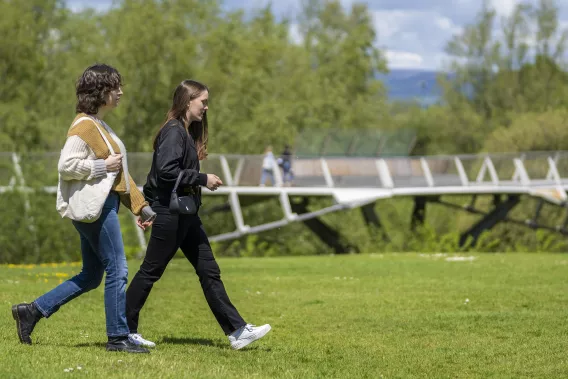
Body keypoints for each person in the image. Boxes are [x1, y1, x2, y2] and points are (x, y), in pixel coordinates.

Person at [11, 64, 155, 354]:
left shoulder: (99, 126)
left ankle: (32, 311)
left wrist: (141, 207)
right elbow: (66, 166)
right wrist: (102, 165)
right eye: (116, 87)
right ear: (101, 91)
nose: (120, 92)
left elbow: (120, 174)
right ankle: (117, 337)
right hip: (98, 209)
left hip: (102, 205)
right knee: (118, 268)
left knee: (91, 275)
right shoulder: (85, 126)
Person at [125, 80, 271, 350]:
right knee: (151, 271)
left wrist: (147, 204)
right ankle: (124, 330)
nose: (206, 107)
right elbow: (165, 172)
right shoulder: (173, 132)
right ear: (187, 100)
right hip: (171, 213)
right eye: (202, 101)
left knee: (209, 270)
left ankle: (238, 332)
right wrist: (202, 178)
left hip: (186, 213)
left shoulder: (185, 133)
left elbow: (156, 175)